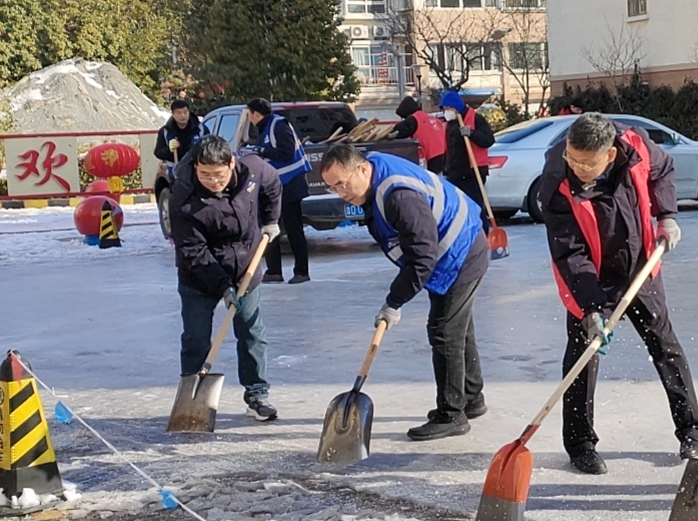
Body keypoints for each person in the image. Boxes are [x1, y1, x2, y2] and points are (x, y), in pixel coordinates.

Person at [540, 113, 698, 474]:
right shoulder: (555, 181)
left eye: (587, 162)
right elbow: (570, 253)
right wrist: (592, 307)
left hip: (640, 263)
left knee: (665, 345)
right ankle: (581, 443)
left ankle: (691, 431)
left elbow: (663, 171)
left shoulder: (636, 146)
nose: (578, 166)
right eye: (573, 157)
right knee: (584, 351)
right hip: (590, 274)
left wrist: (668, 216)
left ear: (610, 155)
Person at [318, 143, 487, 440]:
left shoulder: (397, 196)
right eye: (333, 188)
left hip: (461, 250)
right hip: (452, 249)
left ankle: (452, 414)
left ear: (362, 168)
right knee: (458, 327)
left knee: (444, 330)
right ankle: (471, 398)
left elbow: (422, 257)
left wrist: (394, 302)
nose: (341, 193)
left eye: (343, 184)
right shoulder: (374, 177)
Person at [170, 137, 282, 421]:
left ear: (232, 164)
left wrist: (270, 219)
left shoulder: (253, 170)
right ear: (195, 167)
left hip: (246, 267)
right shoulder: (182, 197)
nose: (212, 181)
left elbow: (273, 184)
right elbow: (193, 251)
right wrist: (222, 286)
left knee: (251, 333)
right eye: (204, 174)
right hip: (199, 276)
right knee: (196, 338)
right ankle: (192, 399)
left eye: (218, 174)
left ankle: (257, 394)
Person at [239, 98, 311, 284]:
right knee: (269, 225)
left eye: (249, 114)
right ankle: (274, 271)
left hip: (291, 184)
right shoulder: (264, 127)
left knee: (294, 229)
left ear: (255, 113)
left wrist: (261, 150)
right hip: (274, 186)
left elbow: (286, 153)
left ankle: (302, 272)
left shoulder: (278, 125)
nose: (249, 118)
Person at [434, 90, 496, 212]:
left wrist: (471, 133)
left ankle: (481, 229)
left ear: (456, 107)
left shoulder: (475, 119)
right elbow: (450, 148)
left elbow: (488, 140)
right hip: (454, 173)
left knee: (474, 207)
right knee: (457, 208)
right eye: (444, 108)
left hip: (472, 172)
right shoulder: (450, 123)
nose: (446, 111)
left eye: (449, 108)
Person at [391, 94, 448, 170]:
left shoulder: (414, 119)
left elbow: (398, 131)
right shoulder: (429, 117)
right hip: (444, 153)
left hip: (432, 156)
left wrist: (388, 134)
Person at [155, 99, 202, 165]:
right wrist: (168, 149)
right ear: (173, 114)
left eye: (185, 112)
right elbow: (158, 153)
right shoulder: (165, 131)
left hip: (196, 170)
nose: (183, 115)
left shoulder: (200, 129)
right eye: (179, 113)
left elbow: (209, 148)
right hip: (174, 172)